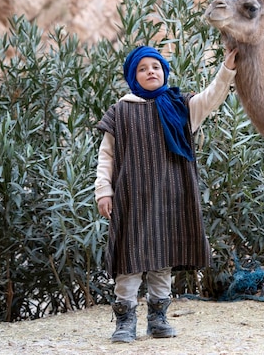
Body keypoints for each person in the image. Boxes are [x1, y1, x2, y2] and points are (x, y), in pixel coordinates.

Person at [94, 45, 237, 343]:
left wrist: (227, 68)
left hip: (171, 196)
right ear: (133, 76)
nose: (150, 72)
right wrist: (103, 192)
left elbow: (212, 97)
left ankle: (158, 320)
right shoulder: (120, 110)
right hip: (131, 197)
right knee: (129, 258)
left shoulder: (180, 106)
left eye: (155, 67)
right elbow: (106, 156)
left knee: (162, 258)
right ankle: (125, 322)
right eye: (143, 68)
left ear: (164, 71)